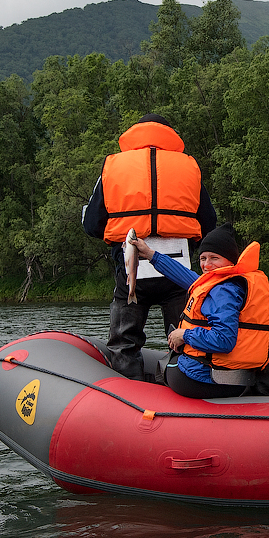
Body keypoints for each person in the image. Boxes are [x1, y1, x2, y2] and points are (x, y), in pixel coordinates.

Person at [82, 115, 216, 379]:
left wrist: (115, 241)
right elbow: (208, 221)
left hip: (131, 267)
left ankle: (127, 393)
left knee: (124, 342)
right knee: (186, 339)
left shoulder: (113, 166)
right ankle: (186, 387)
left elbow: (92, 223)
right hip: (179, 270)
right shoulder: (189, 167)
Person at [131, 225, 269, 399]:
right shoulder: (223, 283)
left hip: (211, 379)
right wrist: (151, 255)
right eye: (203, 258)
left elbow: (224, 340)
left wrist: (184, 335)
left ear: (230, 261)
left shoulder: (223, 292)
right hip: (228, 376)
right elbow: (184, 275)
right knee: (173, 359)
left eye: (214, 258)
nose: (206, 264)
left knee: (164, 367)